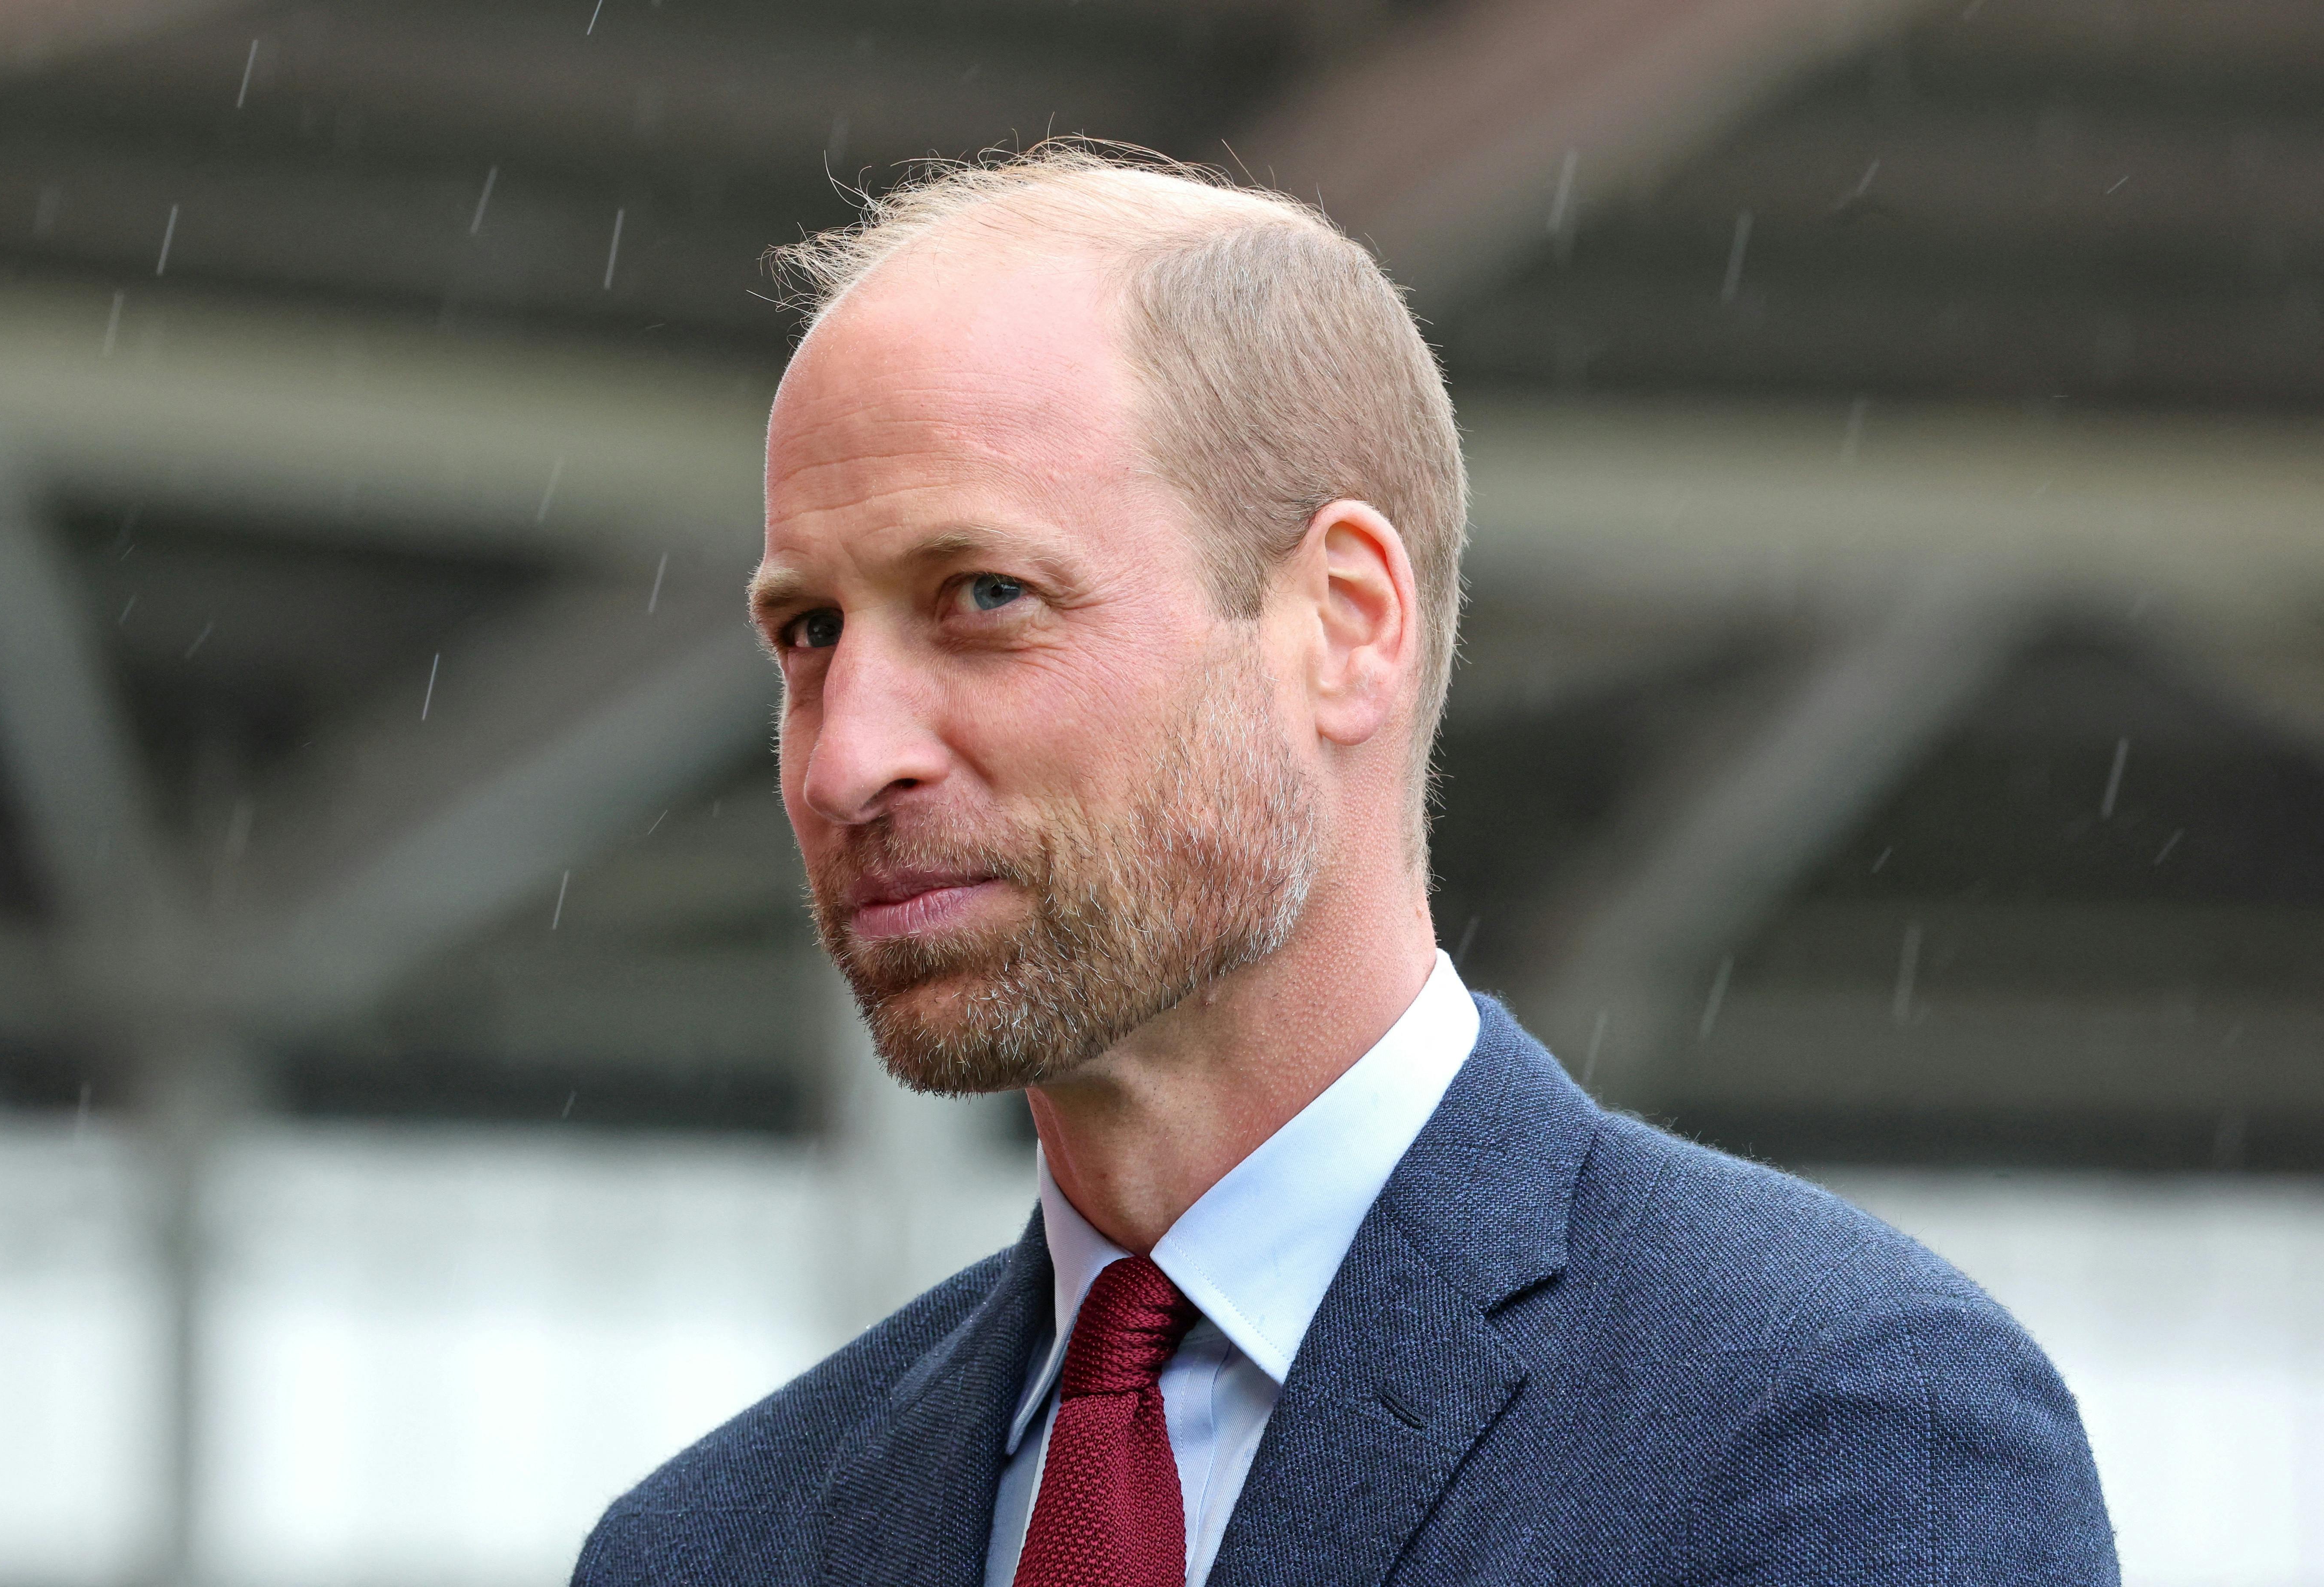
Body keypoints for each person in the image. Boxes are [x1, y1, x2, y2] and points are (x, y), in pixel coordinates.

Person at [572, 145, 2115, 1587]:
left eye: (983, 595)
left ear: (1344, 625)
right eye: (807, 634)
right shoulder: (709, 1544)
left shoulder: (1830, 1430)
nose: (847, 757)